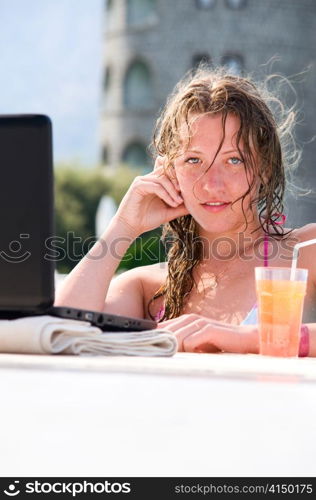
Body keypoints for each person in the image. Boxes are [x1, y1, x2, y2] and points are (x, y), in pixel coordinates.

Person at [55, 65, 316, 357]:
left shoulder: (304, 253)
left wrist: (248, 338)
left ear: (265, 169)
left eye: (234, 161)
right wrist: (123, 227)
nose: (212, 183)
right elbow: (61, 332)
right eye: (193, 160)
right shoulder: (151, 289)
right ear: (169, 171)